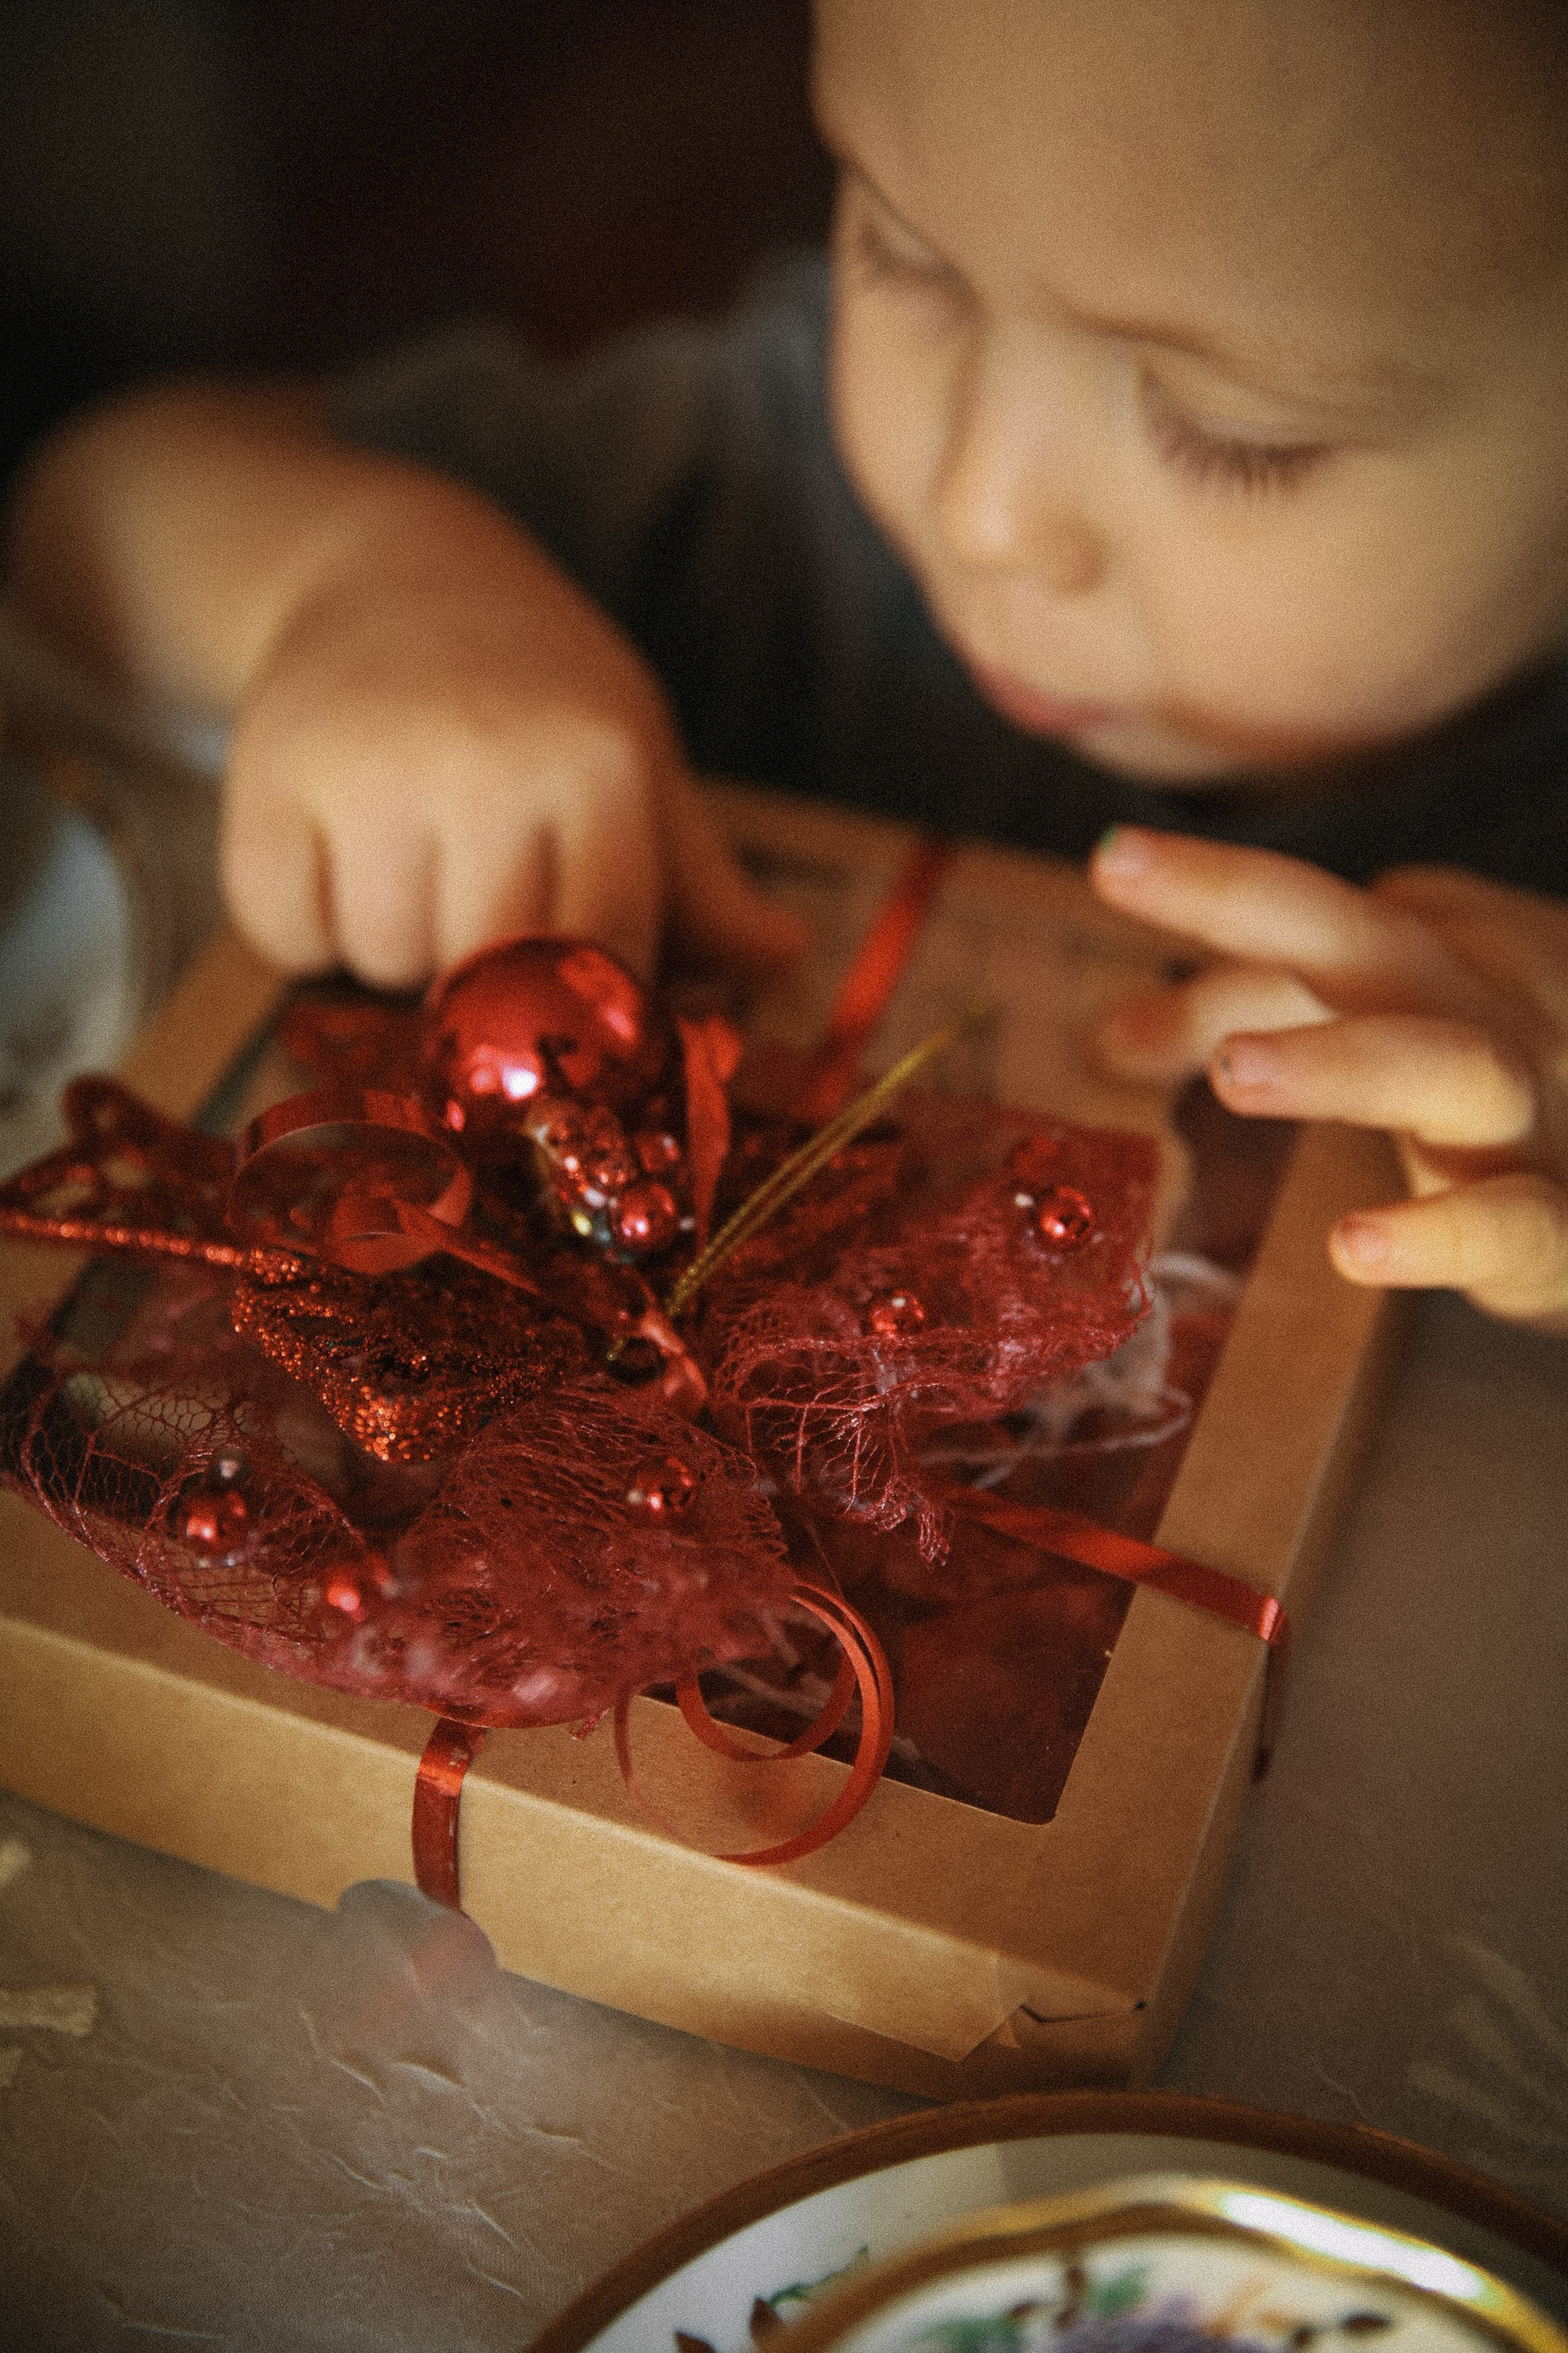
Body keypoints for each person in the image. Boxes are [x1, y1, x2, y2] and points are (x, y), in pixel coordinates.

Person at [5, 0, 1567, 1330]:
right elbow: (88, 516)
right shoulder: (759, 486)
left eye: (1233, 438)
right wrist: (362, 580)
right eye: (905, 255)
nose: (979, 510)